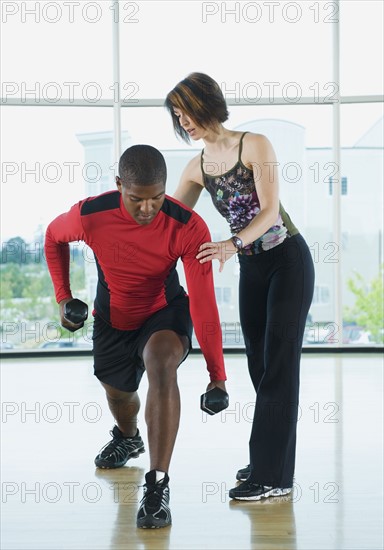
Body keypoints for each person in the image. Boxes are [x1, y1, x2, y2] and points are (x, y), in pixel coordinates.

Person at [44, 144, 227, 528]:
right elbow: (53, 238)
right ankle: (128, 437)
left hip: (164, 311)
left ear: (165, 190)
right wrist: (63, 299)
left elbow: (204, 304)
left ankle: (157, 486)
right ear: (118, 186)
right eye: (136, 200)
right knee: (118, 393)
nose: (147, 209)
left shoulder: (188, 226)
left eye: (156, 199)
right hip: (113, 317)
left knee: (162, 363)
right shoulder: (90, 214)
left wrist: (217, 375)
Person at [165, 73, 315, 501]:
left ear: (206, 102)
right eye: (177, 115)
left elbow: (269, 212)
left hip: (287, 261)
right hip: (251, 269)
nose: (183, 121)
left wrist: (230, 243)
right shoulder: (196, 167)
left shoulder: (255, 144)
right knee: (260, 369)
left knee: (280, 370)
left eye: (186, 110)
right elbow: (171, 218)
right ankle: (271, 461)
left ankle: (272, 477)